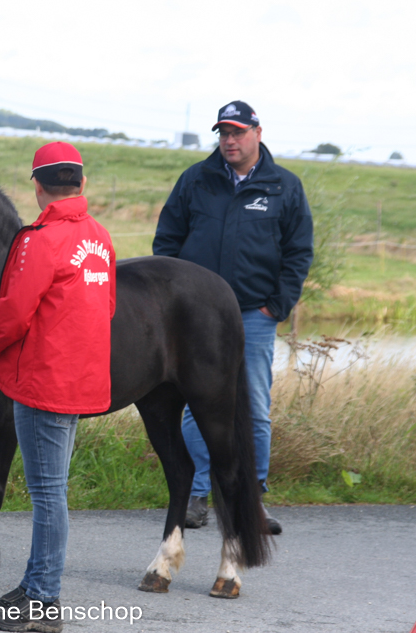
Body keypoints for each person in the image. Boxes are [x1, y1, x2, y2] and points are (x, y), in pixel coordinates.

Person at [0, 142, 116, 633]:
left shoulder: (41, 239)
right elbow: (108, 308)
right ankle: (33, 586)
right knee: (50, 492)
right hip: (80, 378)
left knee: (49, 494)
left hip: (44, 381)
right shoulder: (100, 236)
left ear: (37, 186)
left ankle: (43, 603)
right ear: (82, 182)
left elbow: (14, 312)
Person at [153, 100, 313, 536]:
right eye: (223, 133)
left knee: (254, 406)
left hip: (253, 313)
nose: (229, 140)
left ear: (257, 133)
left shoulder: (284, 186)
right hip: (195, 319)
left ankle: (251, 499)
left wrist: (277, 305)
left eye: (238, 132)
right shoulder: (196, 180)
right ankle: (198, 494)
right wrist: (169, 302)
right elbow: (167, 240)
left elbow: (299, 252)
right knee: (193, 407)